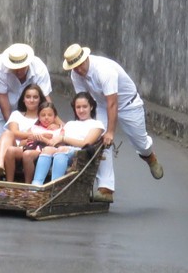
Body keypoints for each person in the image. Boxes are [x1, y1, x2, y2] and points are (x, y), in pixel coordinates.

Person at [62, 43, 163, 203]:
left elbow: (113, 103)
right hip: (101, 105)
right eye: (75, 67)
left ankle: (150, 156)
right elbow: (84, 100)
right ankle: (106, 189)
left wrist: (110, 132)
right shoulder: (75, 75)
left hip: (128, 104)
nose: (79, 70)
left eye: (80, 65)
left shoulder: (104, 70)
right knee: (100, 141)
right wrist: (87, 127)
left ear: (86, 58)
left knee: (140, 144)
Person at [32, 92, 105, 186]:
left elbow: (86, 143)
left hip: (81, 154)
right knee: (47, 149)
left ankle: (55, 185)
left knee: (62, 149)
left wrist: (63, 139)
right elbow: (59, 142)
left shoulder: (96, 124)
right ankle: (36, 185)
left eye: (84, 107)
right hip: (64, 150)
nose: (81, 110)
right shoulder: (70, 124)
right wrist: (44, 137)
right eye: (78, 107)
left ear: (91, 107)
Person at [0, 43, 53, 141]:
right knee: (1, 142)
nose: (18, 71)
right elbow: (2, 96)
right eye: (15, 68)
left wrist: (53, 122)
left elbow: (45, 98)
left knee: (33, 142)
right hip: (1, 108)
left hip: (30, 111)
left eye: (22, 67)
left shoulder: (39, 68)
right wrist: (12, 124)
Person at [0, 83, 44, 180]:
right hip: (14, 146)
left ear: (40, 100)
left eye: (35, 97)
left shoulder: (44, 117)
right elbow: (14, 132)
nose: (31, 100)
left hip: (30, 150)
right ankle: (0, 165)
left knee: (1, 150)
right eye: (28, 97)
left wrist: (30, 137)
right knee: (7, 134)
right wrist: (32, 135)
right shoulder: (16, 114)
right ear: (23, 99)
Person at [12, 100, 63, 184]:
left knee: (27, 154)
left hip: (45, 152)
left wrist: (42, 138)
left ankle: (28, 183)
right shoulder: (34, 128)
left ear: (55, 117)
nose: (46, 118)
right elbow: (21, 143)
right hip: (30, 148)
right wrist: (30, 138)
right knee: (14, 151)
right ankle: (10, 182)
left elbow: (59, 145)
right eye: (43, 115)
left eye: (50, 115)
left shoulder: (59, 129)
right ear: (38, 117)